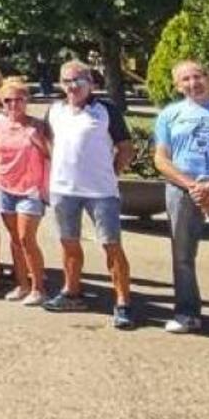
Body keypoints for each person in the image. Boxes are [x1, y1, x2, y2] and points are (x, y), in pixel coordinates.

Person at [40, 61, 135, 328]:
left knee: (111, 246)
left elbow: (125, 148)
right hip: (63, 189)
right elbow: (49, 141)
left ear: (91, 82)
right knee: (69, 242)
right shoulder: (55, 110)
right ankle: (72, 292)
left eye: (78, 80)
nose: (72, 86)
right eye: (66, 80)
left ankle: (123, 302)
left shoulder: (106, 111)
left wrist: (111, 171)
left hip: (101, 192)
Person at [152, 60, 209, 334]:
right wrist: (192, 185)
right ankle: (187, 313)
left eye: (198, 76)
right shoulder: (169, 115)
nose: (194, 83)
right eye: (186, 79)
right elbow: (161, 158)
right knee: (182, 254)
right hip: (182, 189)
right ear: (178, 86)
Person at [0, 78, 51, 306]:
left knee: (26, 238)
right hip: (4, 187)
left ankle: (38, 288)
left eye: (18, 100)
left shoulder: (38, 125)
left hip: (30, 190)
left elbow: (52, 155)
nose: (13, 105)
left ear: (26, 101)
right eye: (8, 100)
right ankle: (22, 284)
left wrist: (38, 141)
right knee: (14, 239)